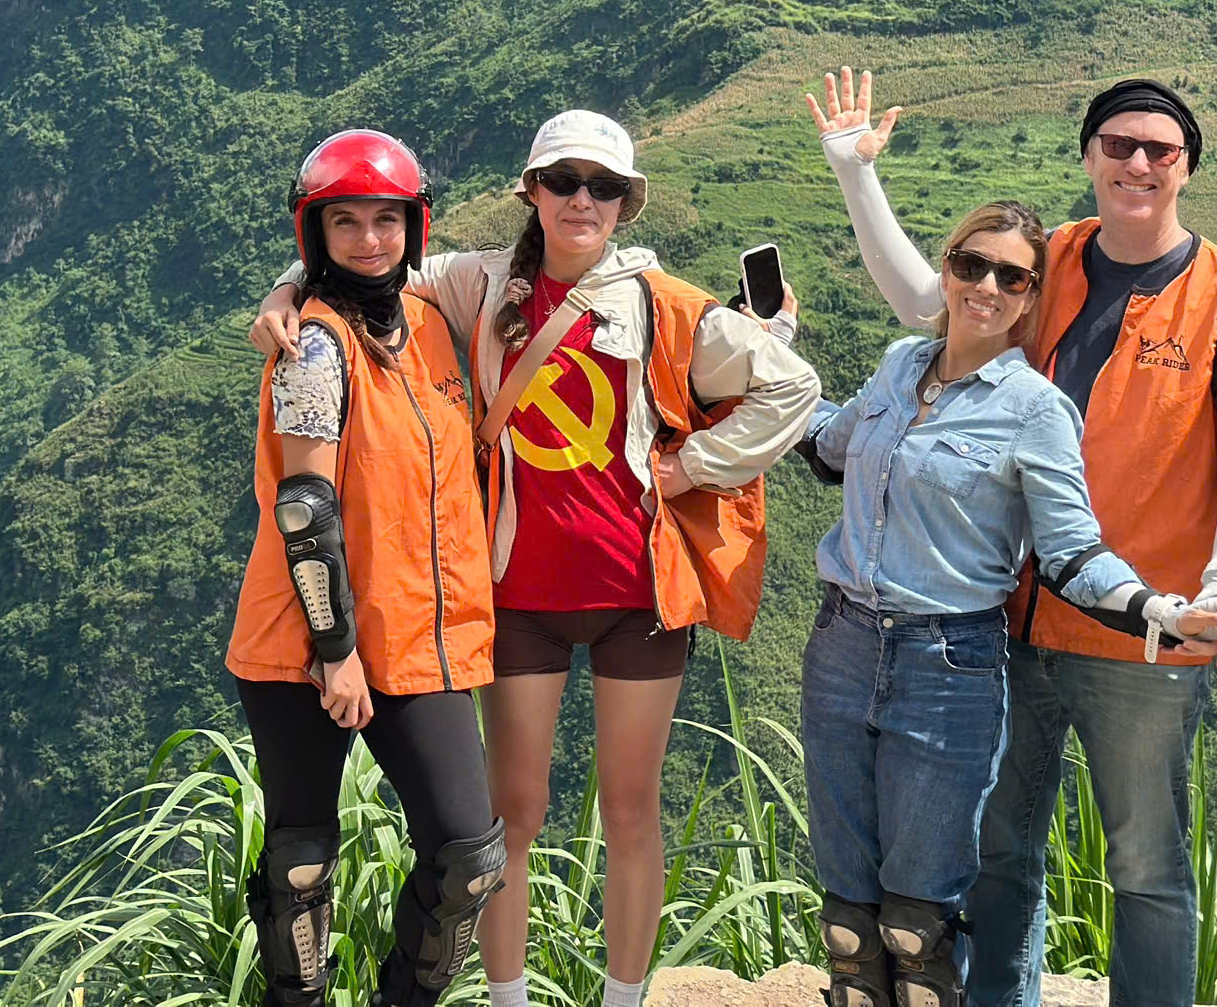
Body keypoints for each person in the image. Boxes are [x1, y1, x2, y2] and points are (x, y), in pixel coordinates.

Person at [256, 109, 818, 1007]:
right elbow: (363, 252)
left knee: (632, 812)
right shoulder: (478, 283)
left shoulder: (661, 303)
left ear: (627, 203)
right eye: (563, 182)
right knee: (508, 820)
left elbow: (791, 384)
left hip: (638, 591)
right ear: (532, 191)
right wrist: (286, 297)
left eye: (602, 188)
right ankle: (510, 998)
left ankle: (625, 998)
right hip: (515, 591)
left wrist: (692, 467)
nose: (581, 201)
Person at [808, 69, 1217, 1007]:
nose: (1139, 164)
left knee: (1147, 867)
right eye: (1119, 146)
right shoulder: (1047, 260)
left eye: (1160, 150)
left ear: (1188, 166)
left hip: (1146, 627)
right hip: (1004, 619)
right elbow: (928, 306)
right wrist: (856, 175)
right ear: (1088, 156)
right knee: (998, 855)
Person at [226, 129, 505, 1007]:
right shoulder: (311, 344)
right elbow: (305, 513)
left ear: (414, 228)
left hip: (423, 637)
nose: (369, 239)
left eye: (388, 219)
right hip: (310, 638)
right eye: (344, 222)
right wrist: (334, 649)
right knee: (302, 866)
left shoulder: (429, 322)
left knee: (467, 857)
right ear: (315, 232)